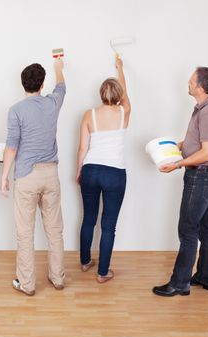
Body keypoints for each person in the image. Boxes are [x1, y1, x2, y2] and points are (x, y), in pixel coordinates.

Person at [153, 67, 208, 296]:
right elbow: (201, 141)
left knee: (188, 229)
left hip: (202, 176)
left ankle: (179, 283)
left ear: (201, 88)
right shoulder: (207, 107)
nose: (188, 82)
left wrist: (177, 164)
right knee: (205, 226)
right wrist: (180, 145)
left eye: (192, 80)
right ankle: (206, 276)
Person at [1, 59, 66, 296]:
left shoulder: (16, 110)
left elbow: (11, 147)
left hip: (26, 176)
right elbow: (62, 86)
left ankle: (27, 284)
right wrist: (59, 65)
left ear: (23, 85)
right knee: (55, 230)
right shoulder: (52, 103)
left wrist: (4, 176)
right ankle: (57, 278)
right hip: (50, 174)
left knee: (25, 232)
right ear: (42, 83)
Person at [76, 57, 131, 283]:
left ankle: (85, 261)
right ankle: (102, 273)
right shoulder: (124, 111)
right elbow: (125, 95)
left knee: (89, 218)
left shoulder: (89, 114)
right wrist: (120, 69)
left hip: (90, 169)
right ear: (118, 96)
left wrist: (79, 171)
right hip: (114, 173)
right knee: (108, 225)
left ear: (100, 94)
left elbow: (82, 148)